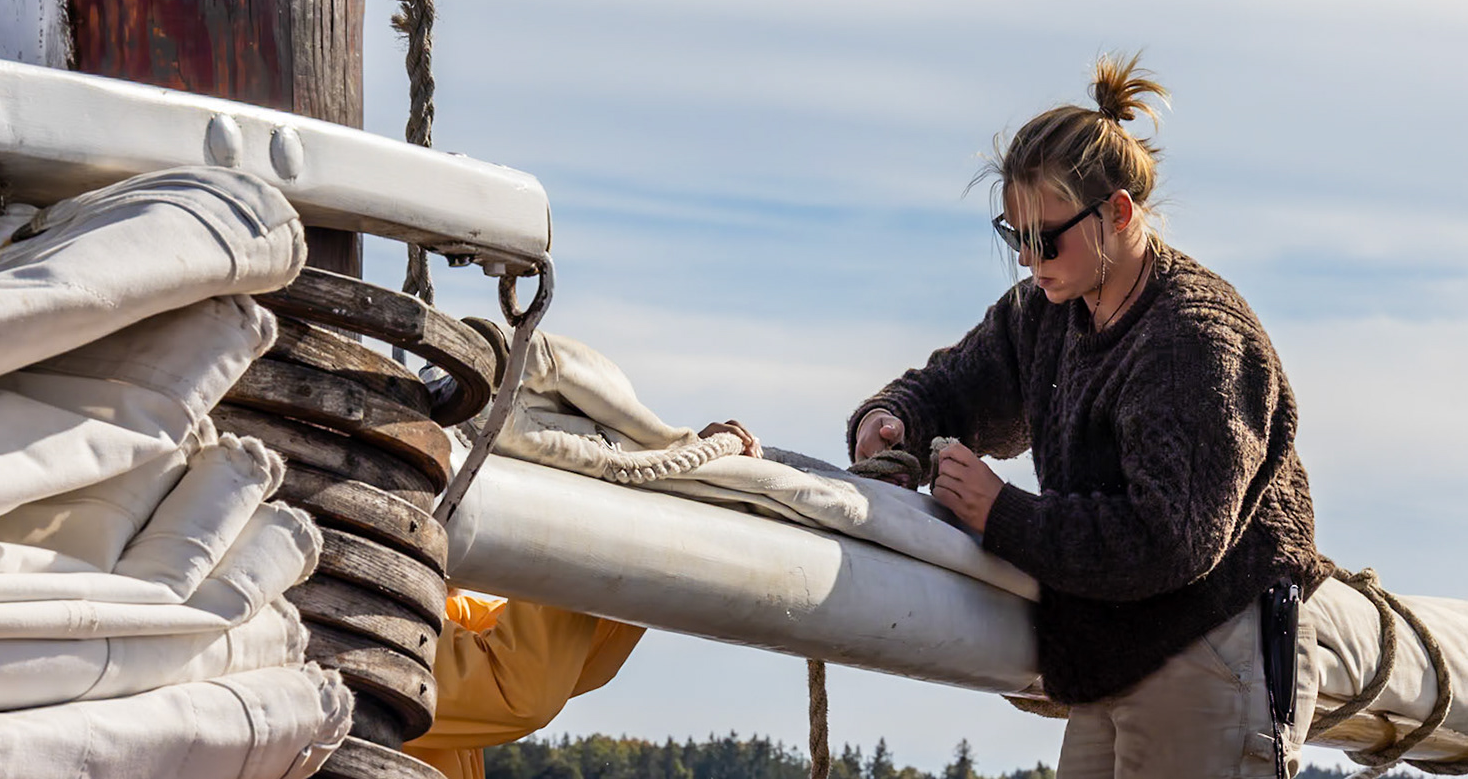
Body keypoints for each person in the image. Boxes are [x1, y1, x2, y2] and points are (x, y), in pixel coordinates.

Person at [847, 54, 1327, 779]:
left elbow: (1170, 539)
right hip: (1117, 653)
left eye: (1044, 238)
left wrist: (1000, 513)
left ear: (1119, 212)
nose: (1029, 261)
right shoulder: (1047, 310)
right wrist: (893, 419)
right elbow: (956, 388)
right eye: (1015, 239)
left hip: (1216, 652)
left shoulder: (1194, 339)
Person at [405, 420, 762, 779]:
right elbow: (517, 689)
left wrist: (675, 497)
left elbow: (580, 656)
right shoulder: (358, 632)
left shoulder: (439, 614)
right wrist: (589, 510)